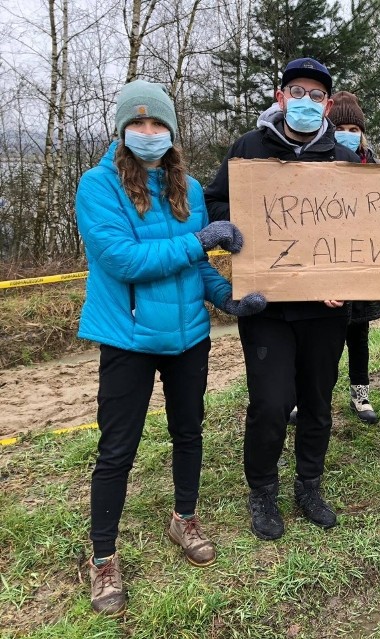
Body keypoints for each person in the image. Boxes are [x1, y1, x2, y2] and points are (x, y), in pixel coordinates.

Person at [77, 80, 266, 615]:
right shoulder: (98, 187)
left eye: (158, 124)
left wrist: (227, 299)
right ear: (121, 130)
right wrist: (201, 240)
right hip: (128, 339)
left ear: (172, 131)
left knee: (189, 431)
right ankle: (103, 557)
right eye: (137, 124)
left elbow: (195, 264)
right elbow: (124, 261)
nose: (148, 133)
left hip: (188, 338)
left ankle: (184, 517)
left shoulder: (192, 190)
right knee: (117, 449)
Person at [204, 58, 360, 540]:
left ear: (328, 105)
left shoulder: (346, 159)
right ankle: (263, 490)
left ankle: (308, 484)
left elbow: (368, 232)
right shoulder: (248, 149)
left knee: (317, 401)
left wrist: (348, 282)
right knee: (271, 403)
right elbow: (213, 205)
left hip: (325, 309)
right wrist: (237, 222)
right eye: (298, 91)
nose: (307, 101)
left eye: (316, 95)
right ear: (280, 96)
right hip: (266, 306)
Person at [327, 90, 380, 423]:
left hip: (363, 269)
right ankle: (302, 396)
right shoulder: (313, 162)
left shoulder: (375, 167)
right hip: (327, 267)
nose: (348, 135)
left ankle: (360, 396)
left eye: (354, 129)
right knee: (320, 340)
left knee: (358, 337)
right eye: (341, 128)